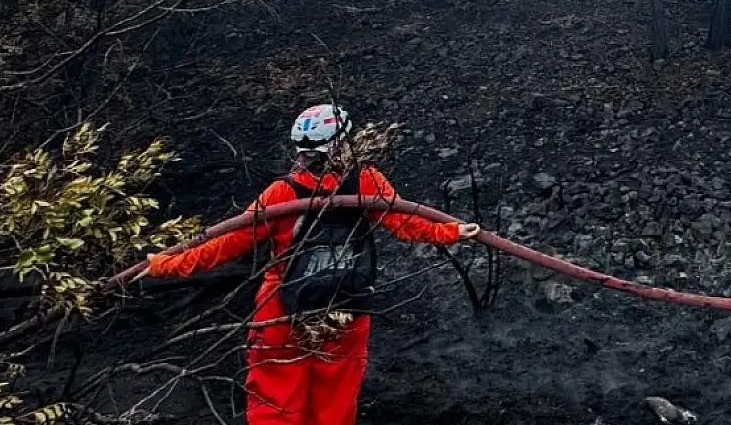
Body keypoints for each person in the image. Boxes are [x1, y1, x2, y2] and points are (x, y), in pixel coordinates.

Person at [142, 105, 481, 425]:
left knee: (274, 402)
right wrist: (452, 231)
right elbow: (407, 222)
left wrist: (166, 265)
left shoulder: (281, 193)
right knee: (335, 400)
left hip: (282, 309)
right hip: (344, 306)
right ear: (344, 143)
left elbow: (227, 243)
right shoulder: (365, 181)